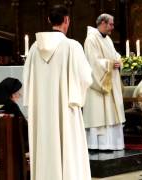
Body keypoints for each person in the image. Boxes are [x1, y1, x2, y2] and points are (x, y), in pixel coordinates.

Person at [23, 5, 92, 180]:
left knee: (45, 144)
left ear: (49, 21)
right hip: (65, 109)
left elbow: (28, 80)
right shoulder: (72, 46)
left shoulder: (33, 48)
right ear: (67, 20)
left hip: (41, 112)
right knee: (68, 145)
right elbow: (85, 78)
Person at [83, 13, 126, 150]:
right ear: (103, 23)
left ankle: (113, 143)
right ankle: (99, 145)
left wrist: (118, 62)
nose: (112, 28)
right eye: (111, 24)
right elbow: (92, 62)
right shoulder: (91, 39)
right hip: (99, 86)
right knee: (100, 114)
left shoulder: (107, 39)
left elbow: (115, 56)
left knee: (111, 113)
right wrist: (108, 64)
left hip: (110, 81)